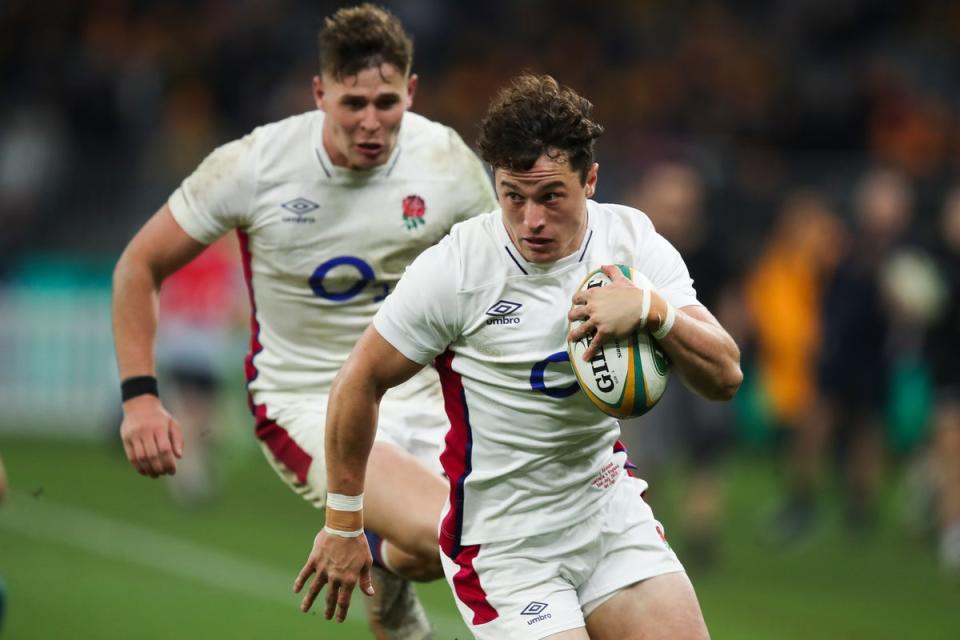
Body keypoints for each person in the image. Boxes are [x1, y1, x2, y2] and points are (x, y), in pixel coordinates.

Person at [295, 73, 742, 640]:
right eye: (513, 195)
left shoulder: (631, 243)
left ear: (591, 181)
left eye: (551, 195)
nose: (531, 219)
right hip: (506, 544)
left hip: (608, 514)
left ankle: (398, 565)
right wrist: (342, 522)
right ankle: (396, 566)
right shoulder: (458, 269)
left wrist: (656, 311)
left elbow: (725, 375)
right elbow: (359, 379)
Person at [111, 5, 496, 638]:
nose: (371, 122)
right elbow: (139, 265)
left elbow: (496, 273)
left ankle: (383, 562)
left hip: (423, 391)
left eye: (387, 102)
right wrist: (140, 399)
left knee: (442, 547)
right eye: (352, 104)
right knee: (453, 534)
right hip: (306, 399)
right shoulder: (256, 164)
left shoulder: (446, 162)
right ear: (320, 94)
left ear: (412, 92)